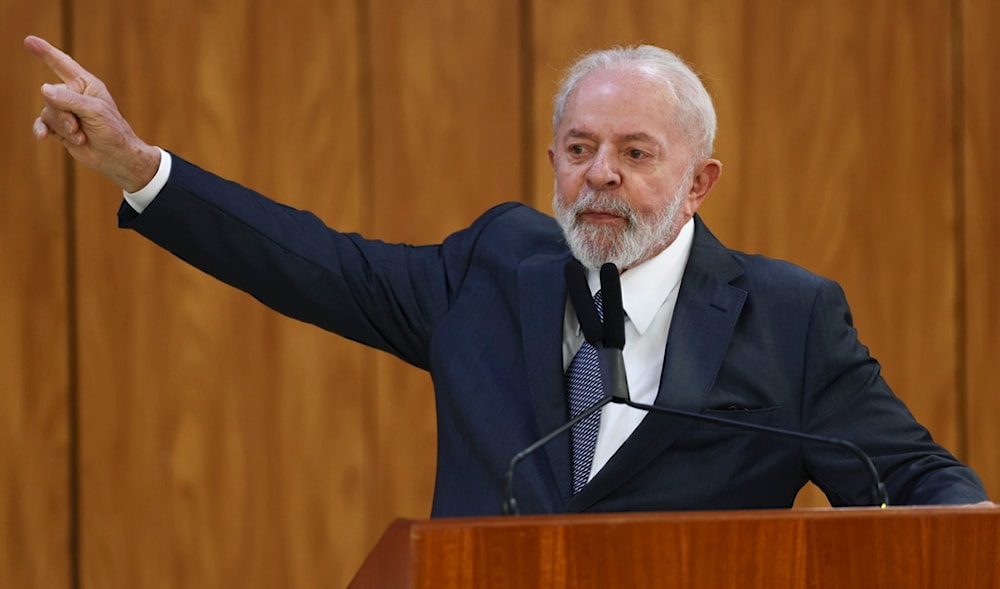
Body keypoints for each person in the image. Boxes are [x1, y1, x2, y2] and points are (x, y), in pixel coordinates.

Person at [25, 35, 990, 516]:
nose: (600, 173)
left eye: (634, 151)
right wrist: (138, 165)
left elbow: (914, 480)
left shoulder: (789, 316)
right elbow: (314, 263)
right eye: (579, 146)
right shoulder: (494, 270)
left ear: (699, 183)